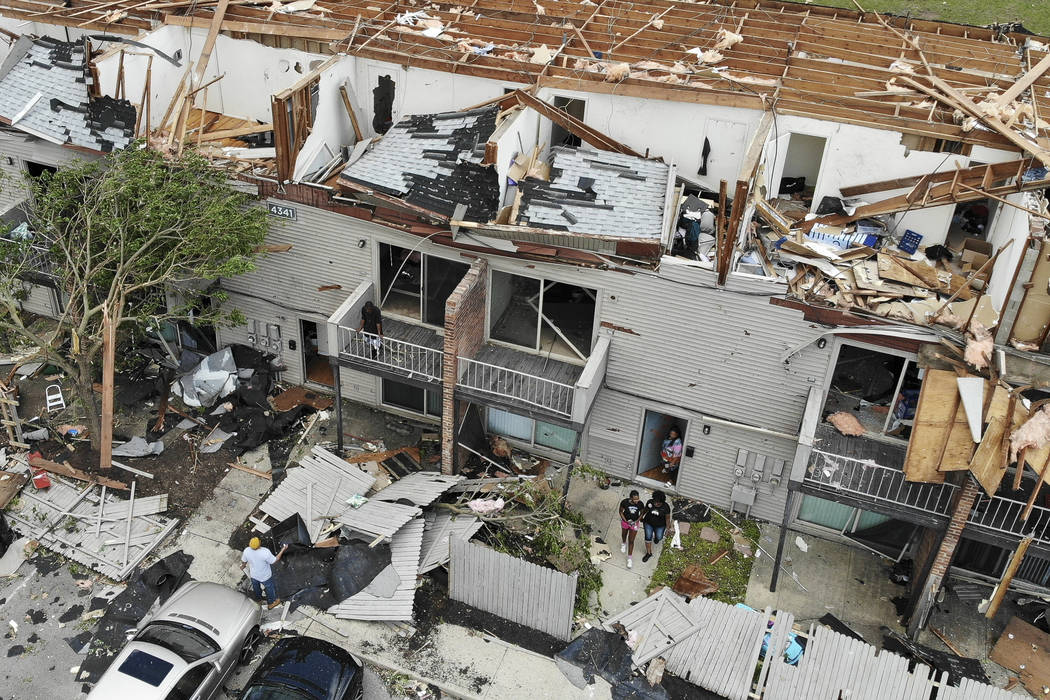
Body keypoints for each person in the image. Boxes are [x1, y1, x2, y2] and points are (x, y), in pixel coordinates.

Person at [241, 537, 289, 610]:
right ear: (259, 543)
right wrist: (283, 549)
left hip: (254, 575)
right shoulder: (265, 552)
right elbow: (275, 560)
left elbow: (243, 561)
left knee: (256, 588)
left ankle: (259, 600)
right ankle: (272, 603)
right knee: (270, 589)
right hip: (265, 577)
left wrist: (243, 566)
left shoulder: (247, 550)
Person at [641, 491, 672, 563]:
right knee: (648, 537)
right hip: (648, 523)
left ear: (662, 502)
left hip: (660, 526)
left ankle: (656, 538)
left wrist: (668, 529)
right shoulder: (650, 503)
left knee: (659, 537)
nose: (655, 503)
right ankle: (649, 553)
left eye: (658, 502)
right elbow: (645, 510)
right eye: (655, 501)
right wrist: (641, 516)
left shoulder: (666, 507)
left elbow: (667, 518)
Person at [619, 490, 643, 569]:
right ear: (630, 498)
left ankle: (629, 558)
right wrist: (625, 520)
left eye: (638, 499)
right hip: (625, 522)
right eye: (635, 499)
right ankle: (623, 543)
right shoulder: (624, 502)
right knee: (624, 535)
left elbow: (642, 513)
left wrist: (637, 521)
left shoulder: (640, 504)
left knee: (631, 541)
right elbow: (621, 512)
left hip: (634, 523)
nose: (637, 501)